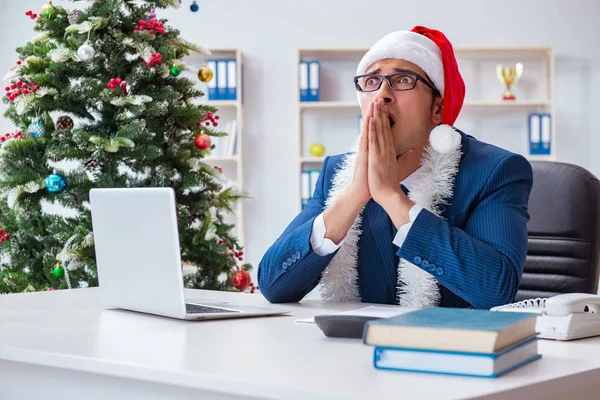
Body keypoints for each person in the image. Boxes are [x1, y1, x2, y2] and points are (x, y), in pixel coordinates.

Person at [257, 26, 533, 310]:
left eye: (402, 80)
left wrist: (391, 197)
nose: (382, 94)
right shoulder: (335, 172)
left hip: (452, 349)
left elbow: (496, 290)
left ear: (437, 109)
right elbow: (272, 285)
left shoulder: (495, 171)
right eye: (371, 81)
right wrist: (354, 195)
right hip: (351, 350)